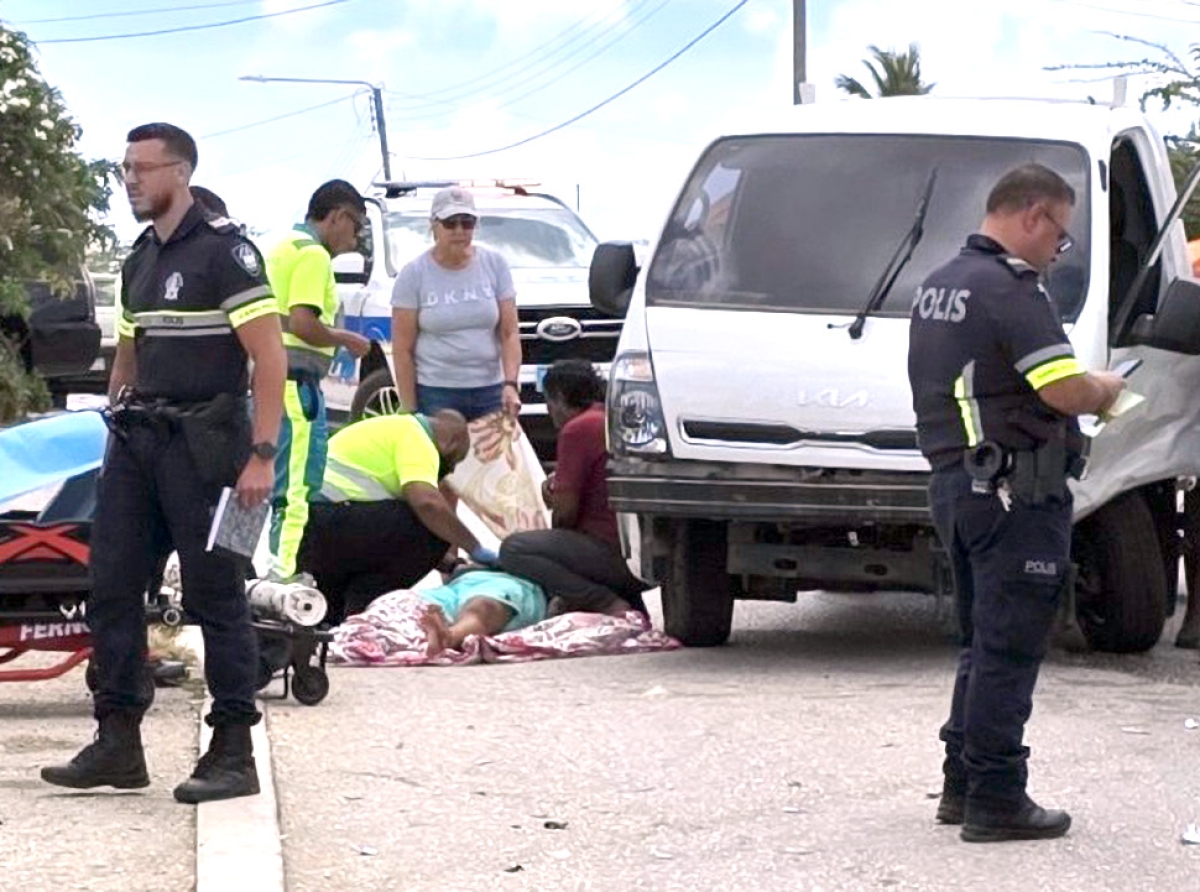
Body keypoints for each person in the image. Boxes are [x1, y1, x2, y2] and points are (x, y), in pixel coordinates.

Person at [41, 123, 286, 804]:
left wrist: (261, 455)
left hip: (210, 447)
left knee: (216, 597)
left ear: (178, 173)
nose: (130, 182)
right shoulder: (140, 257)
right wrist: (116, 419)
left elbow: (269, 358)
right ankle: (118, 738)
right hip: (139, 444)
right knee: (113, 585)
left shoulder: (226, 254)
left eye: (141, 170)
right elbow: (130, 349)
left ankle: (232, 750)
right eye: (124, 170)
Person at [908, 163, 1125, 843]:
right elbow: (1060, 387)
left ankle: (961, 784)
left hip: (957, 484)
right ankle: (998, 796)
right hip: (1014, 492)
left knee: (980, 643)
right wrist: (1107, 387)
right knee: (1008, 648)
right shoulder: (1011, 289)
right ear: (1034, 215)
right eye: (1060, 237)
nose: (1057, 251)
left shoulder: (939, 284)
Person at [295, 409, 501, 624]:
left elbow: (393, 536)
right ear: (451, 444)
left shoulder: (388, 428)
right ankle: (365, 609)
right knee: (434, 530)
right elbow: (427, 504)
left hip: (313, 530)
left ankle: (334, 619)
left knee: (334, 612)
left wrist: (452, 565)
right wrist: (475, 548)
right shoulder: (418, 439)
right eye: (455, 461)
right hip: (335, 522)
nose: (450, 471)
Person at [265, 180, 371, 581]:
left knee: (266, 479)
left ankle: (261, 566)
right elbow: (304, 322)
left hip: (267, 380)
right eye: (356, 226)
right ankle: (284, 576)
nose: (355, 237)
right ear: (338, 216)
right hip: (296, 385)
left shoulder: (279, 249)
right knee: (294, 487)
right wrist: (344, 338)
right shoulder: (313, 256)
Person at [499, 360, 648, 617]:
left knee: (514, 549)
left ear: (558, 397)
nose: (548, 410)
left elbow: (566, 513)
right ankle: (628, 604)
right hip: (638, 550)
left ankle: (602, 601)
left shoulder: (577, 430)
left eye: (548, 401)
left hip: (611, 551)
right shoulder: (608, 418)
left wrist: (554, 502)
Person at [390, 186, 521, 421]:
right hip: (436, 392)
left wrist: (511, 384)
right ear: (434, 225)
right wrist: (409, 409)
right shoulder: (413, 274)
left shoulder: (495, 265)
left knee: (491, 457)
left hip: (490, 389)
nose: (459, 230)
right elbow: (402, 349)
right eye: (450, 223)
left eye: (467, 222)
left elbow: (510, 332)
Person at [419, 568, 547, 655]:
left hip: (512, 578)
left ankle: (451, 636)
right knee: (414, 602)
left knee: (483, 605)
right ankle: (428, 637)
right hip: (459, 582)